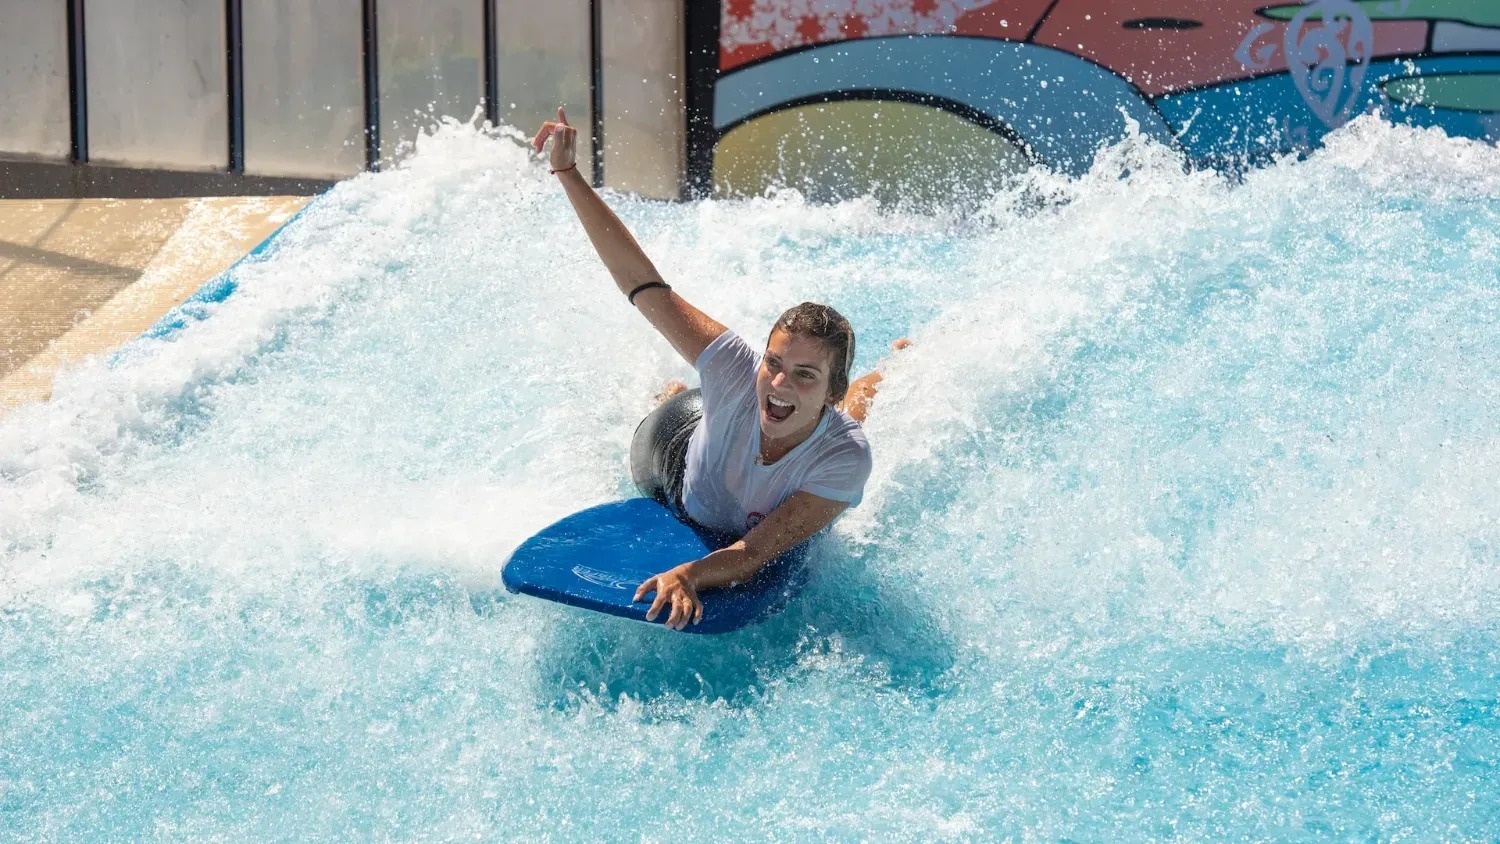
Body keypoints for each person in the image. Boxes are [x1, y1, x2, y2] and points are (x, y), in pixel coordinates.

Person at [533, 108, 905, 631]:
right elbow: (644, 285)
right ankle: (670, 391)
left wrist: (691, 574)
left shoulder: (845, 457)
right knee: (677, 403)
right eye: (774, 363)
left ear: (830, 387)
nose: (778, 381)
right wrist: (569, 175)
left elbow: (756, 551)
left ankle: (881, 373)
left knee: (845, 424)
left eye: (805, 373)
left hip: (802, 431)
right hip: (674, 447)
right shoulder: (735, 365)